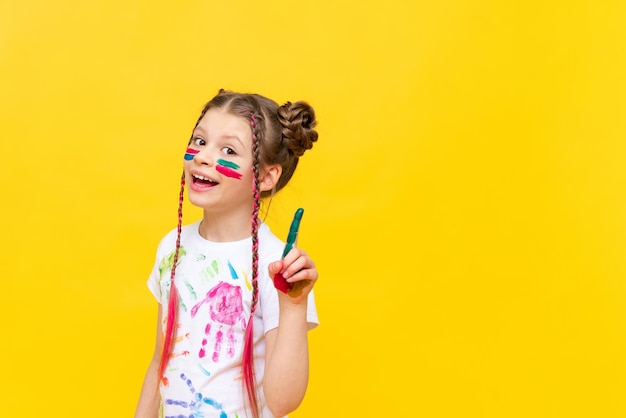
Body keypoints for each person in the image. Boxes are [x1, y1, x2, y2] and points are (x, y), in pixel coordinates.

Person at [135, 89, 320, 418]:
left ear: (264, 177)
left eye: (229, 149)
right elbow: (159, 361)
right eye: (200, 141)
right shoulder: (172, 247)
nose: (203, 157)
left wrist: (293, 307)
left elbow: (282, 402)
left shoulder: (277, 265)